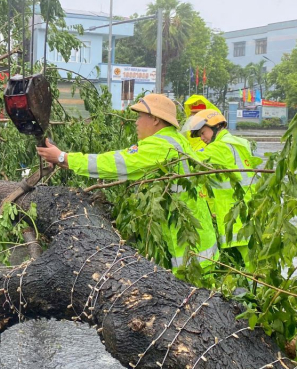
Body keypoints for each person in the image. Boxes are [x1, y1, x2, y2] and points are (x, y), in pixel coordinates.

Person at [37, 92, 219, 275]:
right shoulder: (176, 140)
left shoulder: (161, 146)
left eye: (140, 116)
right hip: (199, 239)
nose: (136, 122)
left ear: (156, 119)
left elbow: (116, 162)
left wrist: (64, 158)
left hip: (189, 249)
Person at [181, 109, 262, 265]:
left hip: (235, 217)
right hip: (248, 210)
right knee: (254, 263)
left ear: (216, 126)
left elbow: (190, 159)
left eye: (203, 133)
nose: (202, 138)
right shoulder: (238, 143)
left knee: (252, 268)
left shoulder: (221, 148)